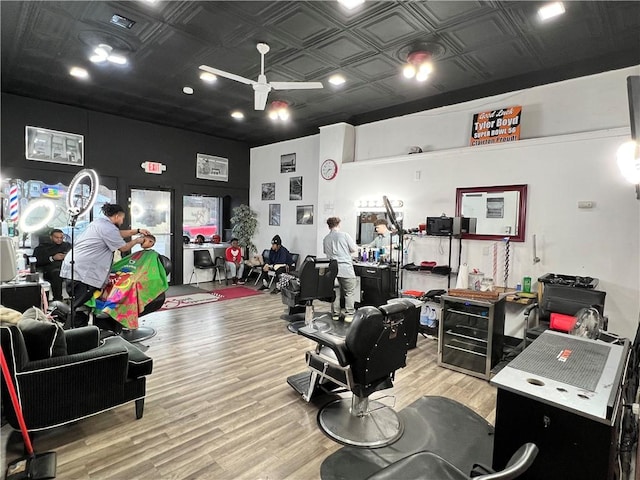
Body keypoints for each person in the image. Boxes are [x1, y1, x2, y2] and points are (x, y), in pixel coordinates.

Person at [60, 203, 151, 327]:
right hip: (84, 271)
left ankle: (80, 333)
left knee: (80, 303)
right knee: (80, 307)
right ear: (117, 216)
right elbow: (123, 247)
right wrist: (137, 240)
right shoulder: (108, 228)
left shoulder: (98, 223)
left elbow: (117, 234)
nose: (122, 221)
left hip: (74, 267)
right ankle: (75, 336)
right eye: (122, 218)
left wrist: (137, 231)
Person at [323, 217, 358, 321]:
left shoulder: (326, 238)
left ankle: (335, 314)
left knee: (335, 292)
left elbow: (326, 252)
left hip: (332, 268)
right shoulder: (345, 235)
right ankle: (349, 315)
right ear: (338, 224)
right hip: (345, 268)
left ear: (329, 226)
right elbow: (353, 249)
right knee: (349, 292)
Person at [33, 228, 71, 301]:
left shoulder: (67, 246)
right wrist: (52, 258)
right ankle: (57, 300)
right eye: (57, 237)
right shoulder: (42, 248)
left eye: (61, 238)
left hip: (67, 268)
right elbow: (37, 261)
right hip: (51, 270)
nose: (59, 240)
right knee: (56, 273)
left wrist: (67, 257)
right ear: (51, 237)